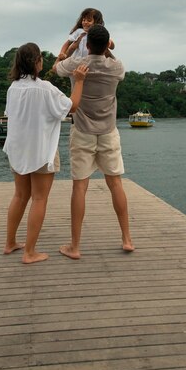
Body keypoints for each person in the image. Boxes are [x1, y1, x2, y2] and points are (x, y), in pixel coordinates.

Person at [53, 24, 134, 259]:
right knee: (116, 184)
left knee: (80, 187)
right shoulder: (116, 67)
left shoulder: (76, 66)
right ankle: (127, 238)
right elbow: (111, 59)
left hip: (83, 132)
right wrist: (107, 49)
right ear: (108, 45)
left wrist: (68, 48)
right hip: (108, 131)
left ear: (86, 45)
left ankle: (75, 246)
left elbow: (57, 68)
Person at [3, 42, 89, 264]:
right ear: (37, 62)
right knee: (39, 198)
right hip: (40, 150)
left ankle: (10, 242)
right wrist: (79, 81)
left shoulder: (13, 88)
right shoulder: (46, 88)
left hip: (17, 149)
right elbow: (72, 106)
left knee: (20, 196)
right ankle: (29, 252)